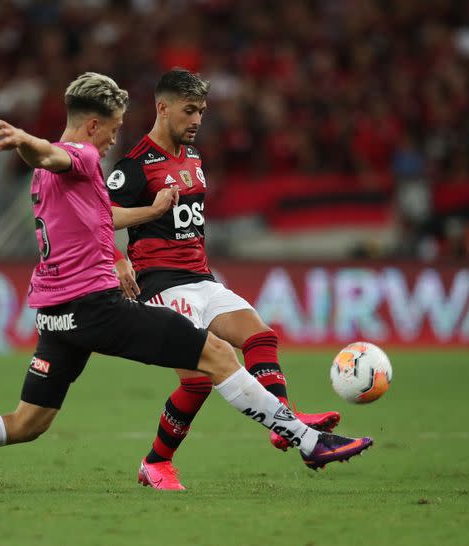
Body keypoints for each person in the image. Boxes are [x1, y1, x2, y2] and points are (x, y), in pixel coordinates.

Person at [0, 72, 373, 495]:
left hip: (56, 314)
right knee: (217, 356)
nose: (115, 139)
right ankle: (309, 443)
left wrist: (150, 213)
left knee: (27, 423)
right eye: (111, 129)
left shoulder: (48, 179)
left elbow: (89, 207)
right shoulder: (84, 158)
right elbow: (54, 155)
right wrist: (29, 142)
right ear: (93, 124)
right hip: (99, 310)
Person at [107, 68, 341, 490]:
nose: (197, 119)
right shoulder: (135, 164)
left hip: (202, 278)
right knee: (196, 381)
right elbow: (99, 217)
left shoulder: (194, 159)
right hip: (159, 284)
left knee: (261, 337)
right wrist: (118, 257)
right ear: (163, 108)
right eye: (189, 110)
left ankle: (282, 421)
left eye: (202, 111)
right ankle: (156, 463)